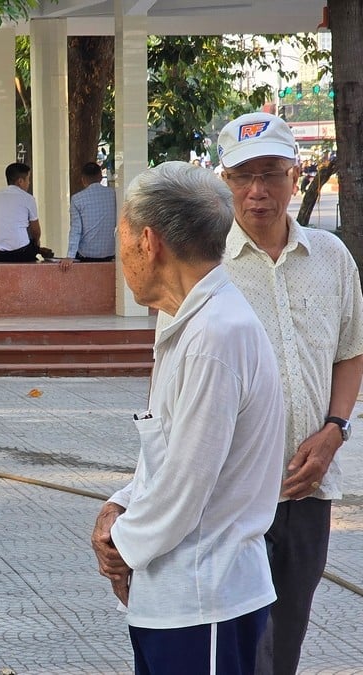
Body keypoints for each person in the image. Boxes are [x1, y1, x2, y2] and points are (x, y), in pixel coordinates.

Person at [90, 161, 286, 674]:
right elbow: (166, 449)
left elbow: (186, 486)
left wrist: (121, 546)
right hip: (173, 601)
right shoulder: (184, 320)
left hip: (208, 602)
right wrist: (118, 505)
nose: (120, 257)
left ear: (148, 242)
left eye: (122, 238)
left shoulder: (215, 334)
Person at [213, 111, 363, 675]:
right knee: (238, 646)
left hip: (307, 490)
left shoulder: (331, 257)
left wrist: (335, 430)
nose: (258, 192)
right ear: (225, 181)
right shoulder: (204, 268)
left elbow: (351, 350)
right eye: (244, 175)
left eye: (272, 173)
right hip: (230, 493)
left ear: (295, 176)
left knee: (285, 644)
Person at [60, 161, 117, 270]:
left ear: (83, 179)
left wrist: (70, 256)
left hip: (86, 256)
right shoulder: (113, 195)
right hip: (110, 253)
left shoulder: (77, 199)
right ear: (100, 177)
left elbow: (76, 230)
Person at [0, 162, 50, 262]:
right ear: (20, 181)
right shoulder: (28, 199)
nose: (29, 183)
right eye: (28, 179)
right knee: (31, 242)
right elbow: (35, 230)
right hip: (21, 253)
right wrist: (37, 242)